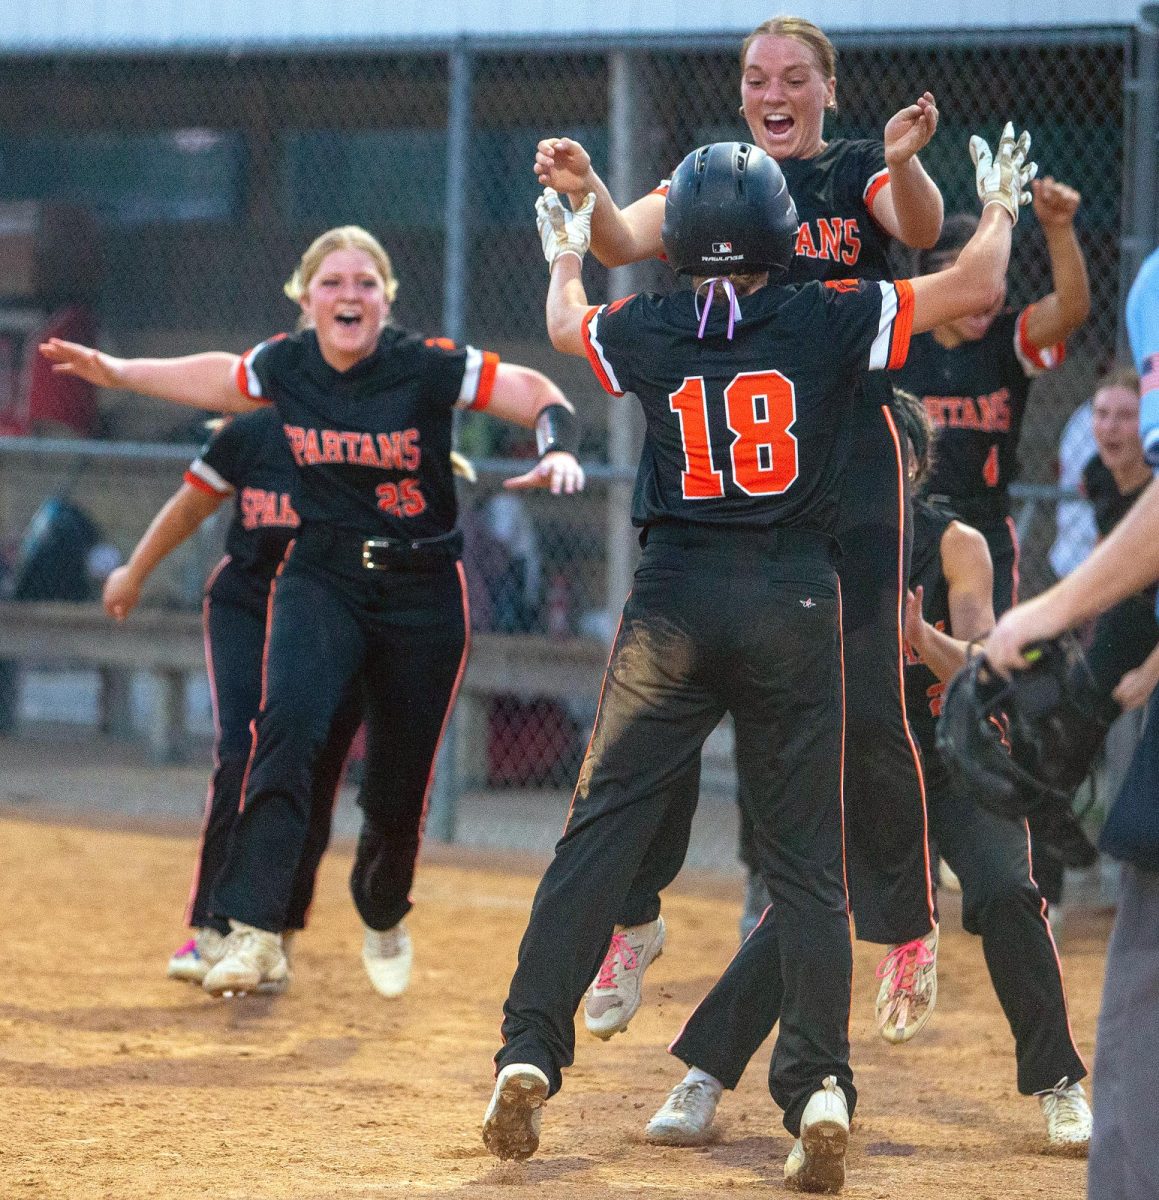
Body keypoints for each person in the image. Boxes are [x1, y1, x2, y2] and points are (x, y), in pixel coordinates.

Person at [483, 128, 1029, 1193]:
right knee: (803, 860)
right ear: (786, 233)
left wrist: (563, 246)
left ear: (676, 240)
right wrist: (997, 203)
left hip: (673, 597)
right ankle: (817, 1087)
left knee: (598, 831)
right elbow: (975, 283)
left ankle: (527, 1052)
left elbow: (560, 322)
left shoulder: (649, 321)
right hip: (791, 593)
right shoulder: (825, 313)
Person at [41, 224, 585, 998]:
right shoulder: (286, 366)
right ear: (306, 300)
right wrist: (120, 373)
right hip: (322, 577)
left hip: (421, 591)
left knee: (395, 795)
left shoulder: (425, 366)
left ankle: (383, 906)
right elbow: (222, 378)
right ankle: (255, 930)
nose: (350, 294)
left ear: (386, 299)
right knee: (284, 730)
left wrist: (554, 444)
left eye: (365, 282)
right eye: (332, 282)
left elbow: (535, 392)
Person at [536, 13, 944, 1044]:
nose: (776, 90)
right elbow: (625, 242)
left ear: (826, 90)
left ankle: (905, 923)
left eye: (795, 76)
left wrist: (904, 164)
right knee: (659, 726)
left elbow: (921, 225)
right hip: (718, 488)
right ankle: (634, 919)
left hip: (844, 472)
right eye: (758, 75)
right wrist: (585, 192)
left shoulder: (856, 167)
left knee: (865, 697)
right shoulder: (711, 177)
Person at [641, 389, 1092, 1154]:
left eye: (884, 455)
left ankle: (1060, 1086)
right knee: (805, 906)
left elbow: (986, 671)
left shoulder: (954, 544)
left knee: (1004, 890)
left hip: (954, 754)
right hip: (860, 755)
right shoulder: (809, 539)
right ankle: (704, 1078)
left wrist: (920, 638)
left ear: (911, 466)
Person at [103, 406, 426, 998]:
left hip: (339, 614)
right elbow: (189, 504)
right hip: (250, 606)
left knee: (314, 766)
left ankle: (273, 930)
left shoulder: (371, 436)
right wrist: (136, 570)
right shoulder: (253, 430)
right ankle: (213, 926)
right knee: (245, 749)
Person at [985, 245, 1159, 1200]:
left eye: (1125, 412)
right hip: (1116, 635)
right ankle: (1050, 871)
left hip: (1121, 638)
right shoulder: (1097, 481)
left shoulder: (1154, 286)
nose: (1115, 426)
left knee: (1142, 995)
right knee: (1055, 754)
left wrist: (1045, 617)